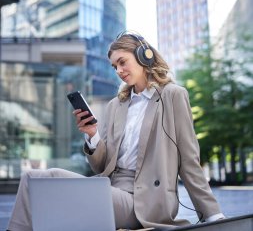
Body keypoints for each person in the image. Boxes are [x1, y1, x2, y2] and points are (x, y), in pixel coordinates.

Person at [7, 32, 224, 231]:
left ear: (144, 56)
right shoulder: (116, 105)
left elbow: (188, 159)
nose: (119, 71)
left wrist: (213, 215)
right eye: (114, 66)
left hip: (144, 201)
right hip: (110, 188)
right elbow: (102, 165)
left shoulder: (172, 95)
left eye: (122, 62)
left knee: (50, 179)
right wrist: (93, 135)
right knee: (33, 178)